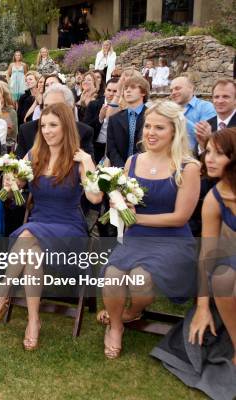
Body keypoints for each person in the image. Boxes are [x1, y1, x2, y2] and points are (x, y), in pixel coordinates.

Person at [0, 102, 101, 350]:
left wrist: (88, 164)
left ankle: (1, 294)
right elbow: (13, 192)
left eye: (53, 125)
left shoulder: (79, 158)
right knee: (31, 252)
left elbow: (96, 199)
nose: (46, 130)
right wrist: (11, 182)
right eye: (43, 125)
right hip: (38, 225)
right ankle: (34, 321)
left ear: (66, 126)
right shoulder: (34, 155)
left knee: (27, 234)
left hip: (69, 229)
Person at [98, 100, 201, 359]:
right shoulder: (132, 162)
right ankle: (116, 325)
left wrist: (137, 219)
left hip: (172, 240)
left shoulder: (188, 168)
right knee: (112, 275)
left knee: (140, 280)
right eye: (148, 127)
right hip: (135, 238)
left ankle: (132, 311)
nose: (151, 133)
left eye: (160, 128)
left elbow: (180, 218)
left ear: (174, 132)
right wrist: (119, 202)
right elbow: (125, 200)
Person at [151, 128, 236, 399]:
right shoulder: (214, 198)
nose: (208, 159)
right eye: (207, 151)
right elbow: (208, 254)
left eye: (218, 154)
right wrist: (201, 307)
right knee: (222, 275)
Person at [17, 84, 94, 159]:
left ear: (69, 108)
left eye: (56, 106)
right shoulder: (26, 130)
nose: (49, 110)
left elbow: (89, 169)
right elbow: (17, 166)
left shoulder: (83, 132)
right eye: (46, 106)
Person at [106, 76, 149, 167]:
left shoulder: (152, 116)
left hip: (144, 167)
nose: (128, 91)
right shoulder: (114, 119)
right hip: (119, 171)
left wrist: (134, 166)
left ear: (144, 92)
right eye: (125, 88)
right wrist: (122, 168)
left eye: (133, 87)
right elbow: (111, 149)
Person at [170, 76, 216, 150]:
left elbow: (205, 136)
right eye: (171, 90)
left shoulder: (205, 107)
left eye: (177, 88)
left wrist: (180, 117)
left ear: (191, 88)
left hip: (195, 157)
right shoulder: (169, 109)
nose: (173, 93)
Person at [194, 79, 236, 154]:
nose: (220, 101)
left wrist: (210, 140)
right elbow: (197, 158)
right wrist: (202, 145)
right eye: (216, 97)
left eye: (225, 97)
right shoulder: (207, 125)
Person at [84, 78, 120, 163]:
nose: (111, 94)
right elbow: (85, 128)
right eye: (109, 90)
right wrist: (100, 118)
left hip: (114, 149)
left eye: (115, 91)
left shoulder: (123, 108)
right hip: (95, 147)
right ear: (105, 91)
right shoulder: (94, 105)